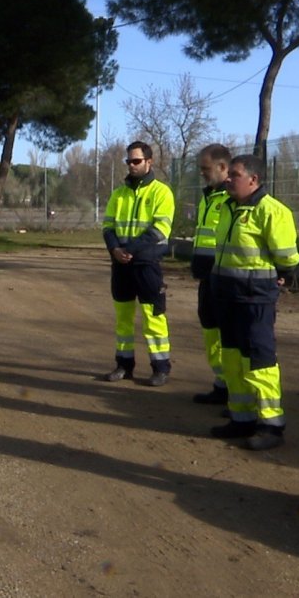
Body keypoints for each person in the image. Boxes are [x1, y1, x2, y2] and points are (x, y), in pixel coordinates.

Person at [209, 155, 299, 451]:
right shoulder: (226, 207)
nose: (228, 179)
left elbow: (287, 257)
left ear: (254, 180)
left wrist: (284, 275)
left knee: (260, 361)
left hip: (255, 298)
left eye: (234, 175)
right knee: (232, 360)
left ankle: (272, 424)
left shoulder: (272, 211)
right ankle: (242, 418)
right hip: (227, 296)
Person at [101, 141, 175, 387]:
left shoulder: (161, 192)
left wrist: (128, 250)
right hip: (121, 266)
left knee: (153, 318)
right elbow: (108, 226)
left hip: (146, 265)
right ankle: (124, 364)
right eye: (128, 161)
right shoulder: (118, 194)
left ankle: (160, 367)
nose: (131, 165)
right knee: (123, 319)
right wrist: (115, 250)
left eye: (136, 161)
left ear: (149, 162)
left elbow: (159, 230)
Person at [191, 144, 232, 404]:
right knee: (210, 331)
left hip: (226, 278)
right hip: (207, 277)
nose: (202, 174)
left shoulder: (231, 197)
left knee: (228, 336)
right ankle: (221, 384)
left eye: (206, 169)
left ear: (222, 167)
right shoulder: (209, 195)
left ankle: (237, 393)